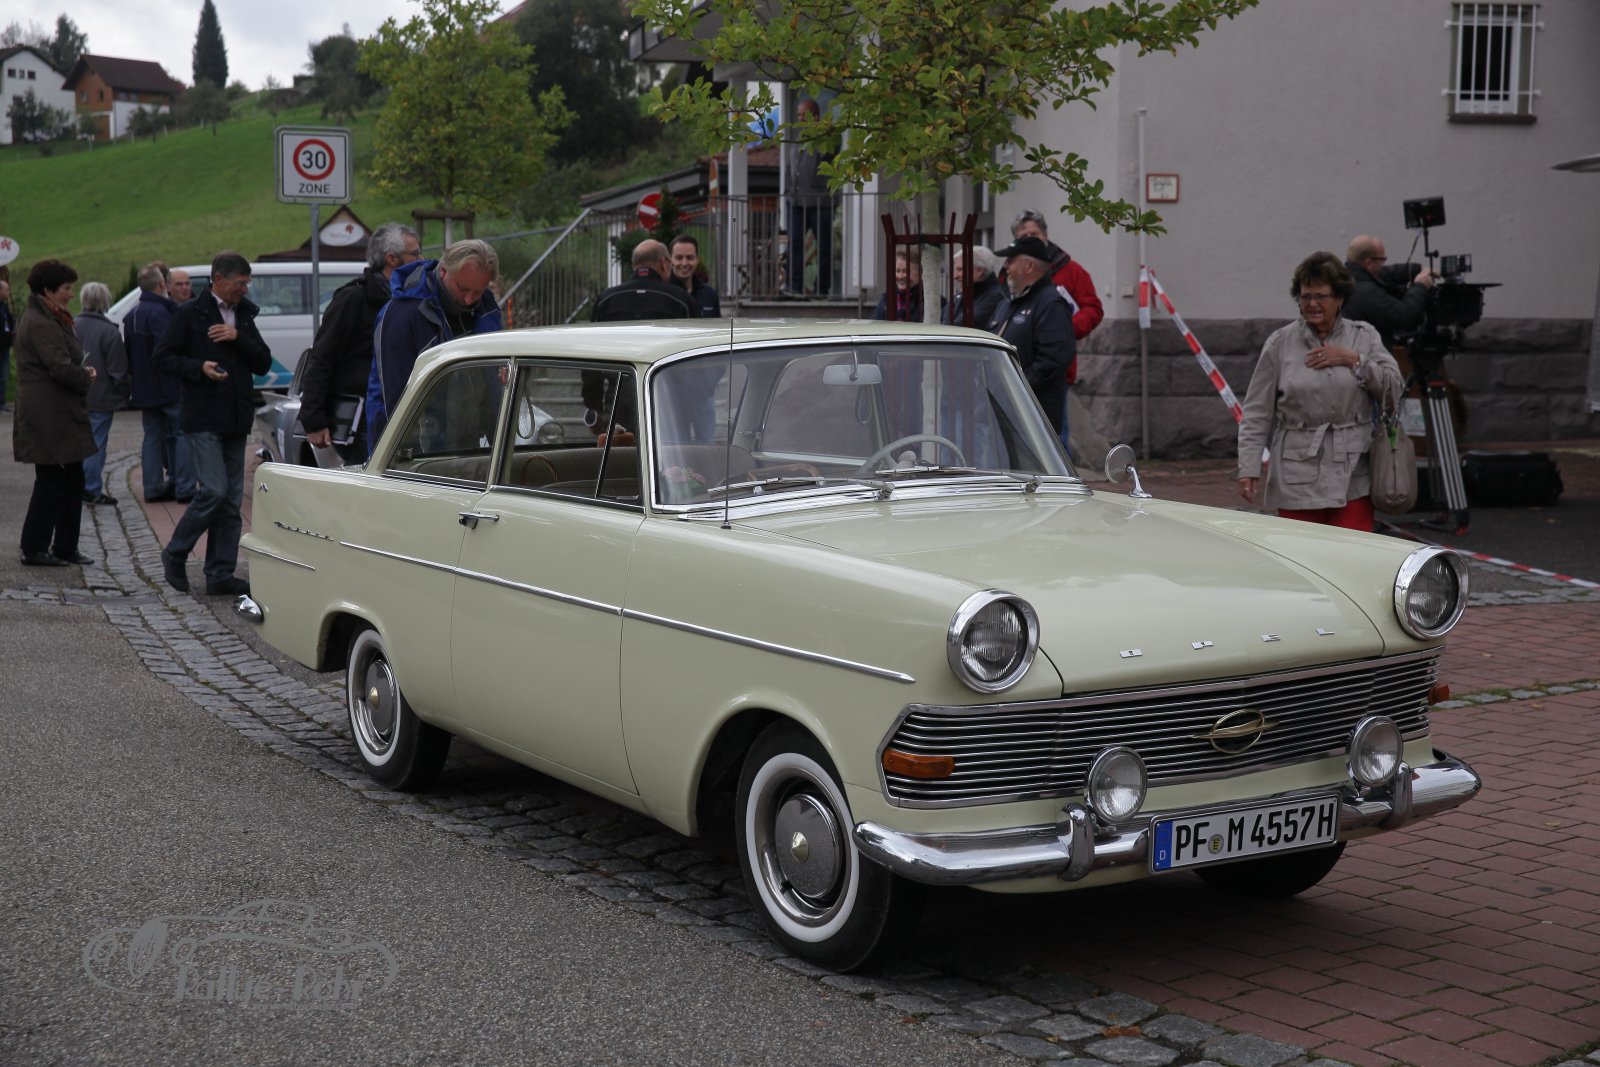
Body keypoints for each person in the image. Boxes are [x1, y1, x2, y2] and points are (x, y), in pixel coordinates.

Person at [1236, 251, 1404, 531]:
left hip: (1354, 470)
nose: (1312, 303)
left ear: (1340, 298)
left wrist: (1355, 360)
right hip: (1296, 472)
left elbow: (1394, 389)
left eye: (1321, 296)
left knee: (1352, 550)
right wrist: (1249, 468)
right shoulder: (1280, 343)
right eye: (1305, 296)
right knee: (1301, 552)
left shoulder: (1364, 337)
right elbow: (1256, 412)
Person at [156, 251, 272, 596]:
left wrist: (238, 337)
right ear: (218, 279)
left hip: (236, 417)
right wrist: (199, 368)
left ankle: (220, 573)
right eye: (240, 283)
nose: (244, 289)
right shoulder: (189, 314)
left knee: (231, 499)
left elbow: (263, 363)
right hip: (203, 416)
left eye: (247, 283)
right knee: (214, 491)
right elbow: (162, 358)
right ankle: (175, 552)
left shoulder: (244, 315)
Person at [300, 222, 421, 462]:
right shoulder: (354, 299)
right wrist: (313, 420)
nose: (422, 260)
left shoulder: (410, 301)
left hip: (403, 413)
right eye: (415, 254)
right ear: (392, 258)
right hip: (362, 420)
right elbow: (322, 357)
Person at [368, 239, 503, 447]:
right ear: (443, 271)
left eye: (478, 292)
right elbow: (394, 398)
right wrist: (406, 456)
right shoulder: (403, 315)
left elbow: (493, 378)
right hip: (417, 446)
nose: (469, 300)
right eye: (463, 288)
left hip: (468, 440)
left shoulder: (485, 306)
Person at [13, 259, 97, 567]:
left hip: (59, 409)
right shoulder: (41, 323)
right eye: (66, 288)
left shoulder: (51, 317)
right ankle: (34, 547)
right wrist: (85, 376)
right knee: (51, 479)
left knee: (72, 478)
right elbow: (59, 367)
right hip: (48, 413)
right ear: (48, 291)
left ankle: (65, 546)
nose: (71, 294)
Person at [589, 240, 699, 438]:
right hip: (669, 405)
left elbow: (591, 358)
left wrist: (594, 404)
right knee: (670, 456)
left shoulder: (606, 300)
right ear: (664, 263)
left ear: (634, 264)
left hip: (618, 403)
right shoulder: (681, 301)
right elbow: (696, 360)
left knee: (623, 456)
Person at [989, 235, 1075, 435]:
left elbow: (1053, 359)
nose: (1006, 266)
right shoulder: (1008, 303)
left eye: (1011, 260)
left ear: (1029, 266)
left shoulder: (1050, 304)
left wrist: (1016, 386)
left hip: (1033, 418)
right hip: (1005, 411)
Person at [125, 264, 192, 503]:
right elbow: (168, 351)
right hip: (168, 386)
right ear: (162, 284)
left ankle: (153, 487)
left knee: (152, 438)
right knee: (182, 434)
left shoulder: (132, 314)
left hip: (144, 388)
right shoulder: (161, 313)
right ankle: (185, 487)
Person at [73, 282, 131, 506]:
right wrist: (124, 392)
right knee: (96, 444)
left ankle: (76, 486)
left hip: (74, 395)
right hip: (101, 397)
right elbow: (118, 370)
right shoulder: (109, 331)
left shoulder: (71, 326)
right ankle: (90, 488)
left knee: (76, 443)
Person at [1342, 235, 1435, 350]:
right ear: (1369, 263)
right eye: (1382, 260)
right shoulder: (1368, 293)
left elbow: (1384, 273)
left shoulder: (1348, 279)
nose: (1383, 264)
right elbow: (1403, 316)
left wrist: (1415, 269)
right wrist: (1420, 286)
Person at [785, 97, 833, 297]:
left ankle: (822, 289)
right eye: (798, 115)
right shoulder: (798, 140)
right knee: (794, 244)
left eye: (803, 115)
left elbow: (827, 156)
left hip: (820, 202)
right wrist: (788, 192)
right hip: (796, 202)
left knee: (823, 248)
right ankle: (793, 287)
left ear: (815, 116)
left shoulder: (826, 138)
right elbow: (791, 168)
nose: (800, 119)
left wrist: (820, 132)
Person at [944, 245, 1004, 330]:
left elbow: (961, 328)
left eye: (960, 269)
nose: (955, 276)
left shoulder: (995, 298)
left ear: (979, 271)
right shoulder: (961, 296)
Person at [669, 234, 721, 318]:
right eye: (679, 258)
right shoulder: (662, 294)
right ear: (670, 259)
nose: (684, 263)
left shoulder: (710, 294)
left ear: (697, 260)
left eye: (690, 258)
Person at [872, 248, 924, 322]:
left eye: (906, 271)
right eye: (897, 271)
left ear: (920, 274)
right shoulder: (887, 299)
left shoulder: (927, 300)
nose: (900, 276)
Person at [0, 277, 15, 413]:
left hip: (5, 346)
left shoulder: (4, 307)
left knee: (3, 376)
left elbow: (9, 322)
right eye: (6, 289)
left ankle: (2, 403)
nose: (8, 292)